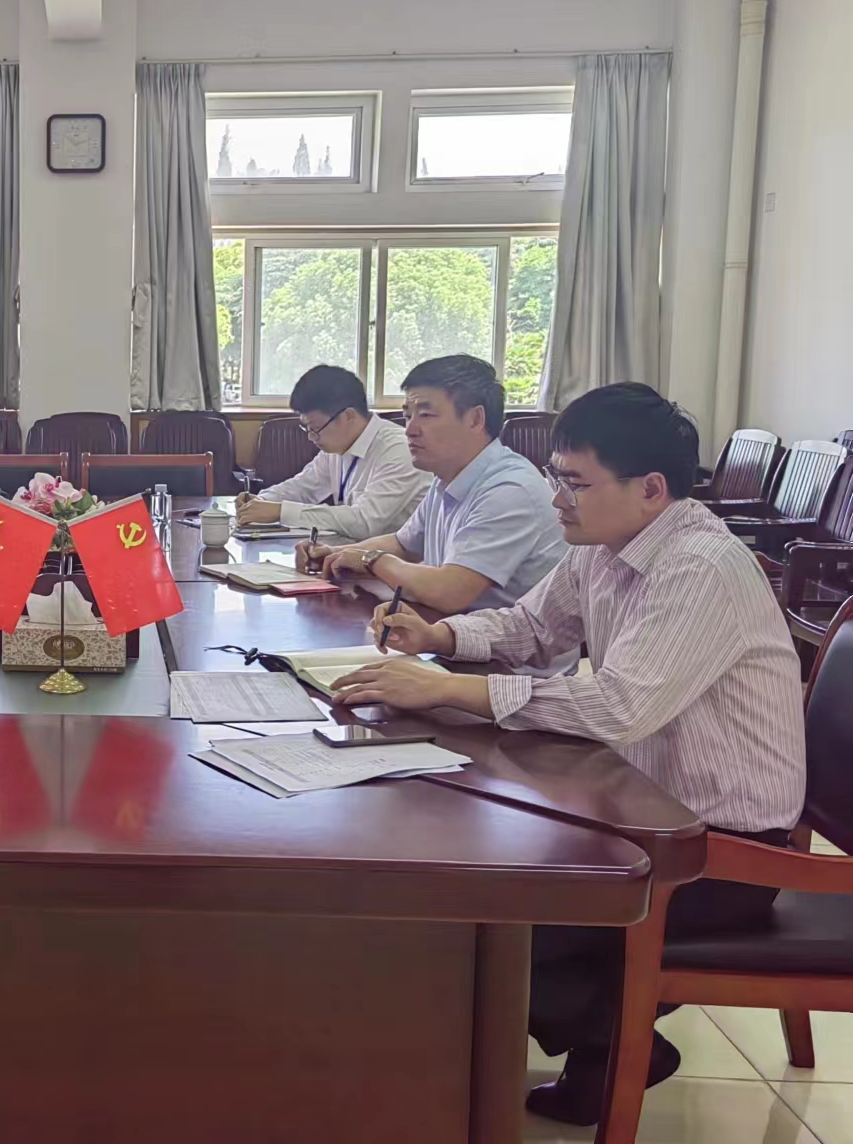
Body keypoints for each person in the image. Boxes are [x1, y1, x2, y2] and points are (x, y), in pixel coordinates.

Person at [332, 382, 806, 1126]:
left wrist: (448, 689)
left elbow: (618, 706)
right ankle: (606, 1043)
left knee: (489, 926)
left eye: (575, 482)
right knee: (466, 891)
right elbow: (530, 628)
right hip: (642, 806)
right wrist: (441, 637)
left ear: (651, 489)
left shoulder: (700, 569)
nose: (557, 498)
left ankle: (610, 1042)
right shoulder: (607, 546)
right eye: (556, 477)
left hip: (715, 850)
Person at [303, 356, 570, 666]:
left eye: (426, 415)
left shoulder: (509, 488)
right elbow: (403, 544)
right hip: (452, 641)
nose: (410, 430)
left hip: (509, 670)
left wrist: (371, 560)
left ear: (475, 419)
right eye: (407, 415)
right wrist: (337, 554)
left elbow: (450, 591)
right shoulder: (448, 476)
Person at [234, 364, 430, 540]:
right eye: (307, 429)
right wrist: (262, 500)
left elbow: (364, 522)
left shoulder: (399, 449)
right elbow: (304, 486)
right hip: (354, 553)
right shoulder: (337, 446)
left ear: (348, 416)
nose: (311, 437)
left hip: (398, 562)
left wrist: (280, 511)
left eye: (315, 428)